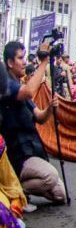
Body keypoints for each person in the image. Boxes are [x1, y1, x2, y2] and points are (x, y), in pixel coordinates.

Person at [0, 41, 67, 204]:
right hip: (18, 153)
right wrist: (44, 61)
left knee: (60, 195)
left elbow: (40, 117)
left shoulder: (20, 86)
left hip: (34, 150)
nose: (25, 62)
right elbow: (29, 91)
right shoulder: (5, 85)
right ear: (9, 62)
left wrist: (50, 108)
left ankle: (20, 188)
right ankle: (14, 190)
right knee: (50, 176)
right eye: (20, 58)